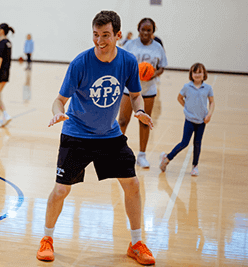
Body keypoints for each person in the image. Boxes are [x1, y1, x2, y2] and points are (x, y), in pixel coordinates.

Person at [36, 10, 155, 266]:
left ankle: (135, 243)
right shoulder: (80, 63)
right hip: (76, 133)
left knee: (132, 185)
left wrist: (140, 111)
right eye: (95, 35)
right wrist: (58, 114)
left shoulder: (127, 61)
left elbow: (134, 94)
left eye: (105, 35)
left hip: (109, 135)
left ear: (118, 35)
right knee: (61, 189)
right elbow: (59, 100)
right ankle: (47, 239)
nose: (100, 41)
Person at [118, 18, 167, 168]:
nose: (145, 33)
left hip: (148, 90)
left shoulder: (158, 47)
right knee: (122, 121)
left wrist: (152, 74)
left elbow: (162, 67)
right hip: (129, 89)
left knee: (144, 122)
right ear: (138, 29)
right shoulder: (129, 45)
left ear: (153, 31)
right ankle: (117, 153)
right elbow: (120, 63)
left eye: (149, 30)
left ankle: (142, 156)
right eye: (143, 29)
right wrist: (132, 73)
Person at [159, 63, 214, 176]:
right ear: (191, 74)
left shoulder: (207, 88)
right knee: (184, 142)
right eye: (195, 72)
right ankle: (167, 158)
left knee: (197, 143)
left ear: (204, 74)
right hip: (189, 120)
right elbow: (179, 97)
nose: (197, 75)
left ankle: (195, 166)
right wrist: (186, 107)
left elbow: (212, 102)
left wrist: (209, 114)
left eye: (200, 72)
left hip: (201, 121)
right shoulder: (187, 87)